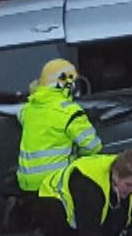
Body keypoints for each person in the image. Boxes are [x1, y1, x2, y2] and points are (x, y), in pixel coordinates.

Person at [16, 58, 102, 193]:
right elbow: (93, 146)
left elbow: (21, 114)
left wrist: (37, 92)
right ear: (67, 85)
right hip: (55, 184)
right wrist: (76, 156)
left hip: (27, 184)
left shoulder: (28, 109)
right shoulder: (70, 112)